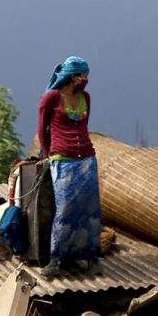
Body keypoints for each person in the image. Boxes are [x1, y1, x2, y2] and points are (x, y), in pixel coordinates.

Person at [34, 56, 101, 275]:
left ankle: (91, 256)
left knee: (90, 209)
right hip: (63, 160)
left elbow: (84, 126)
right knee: (65, 209)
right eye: (82, 75)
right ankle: (56, 259)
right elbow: (42, 129)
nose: (85, 79)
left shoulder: (86, 98)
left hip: (87, 159)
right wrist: (49, 154)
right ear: (72, 77)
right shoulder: (51, 98)